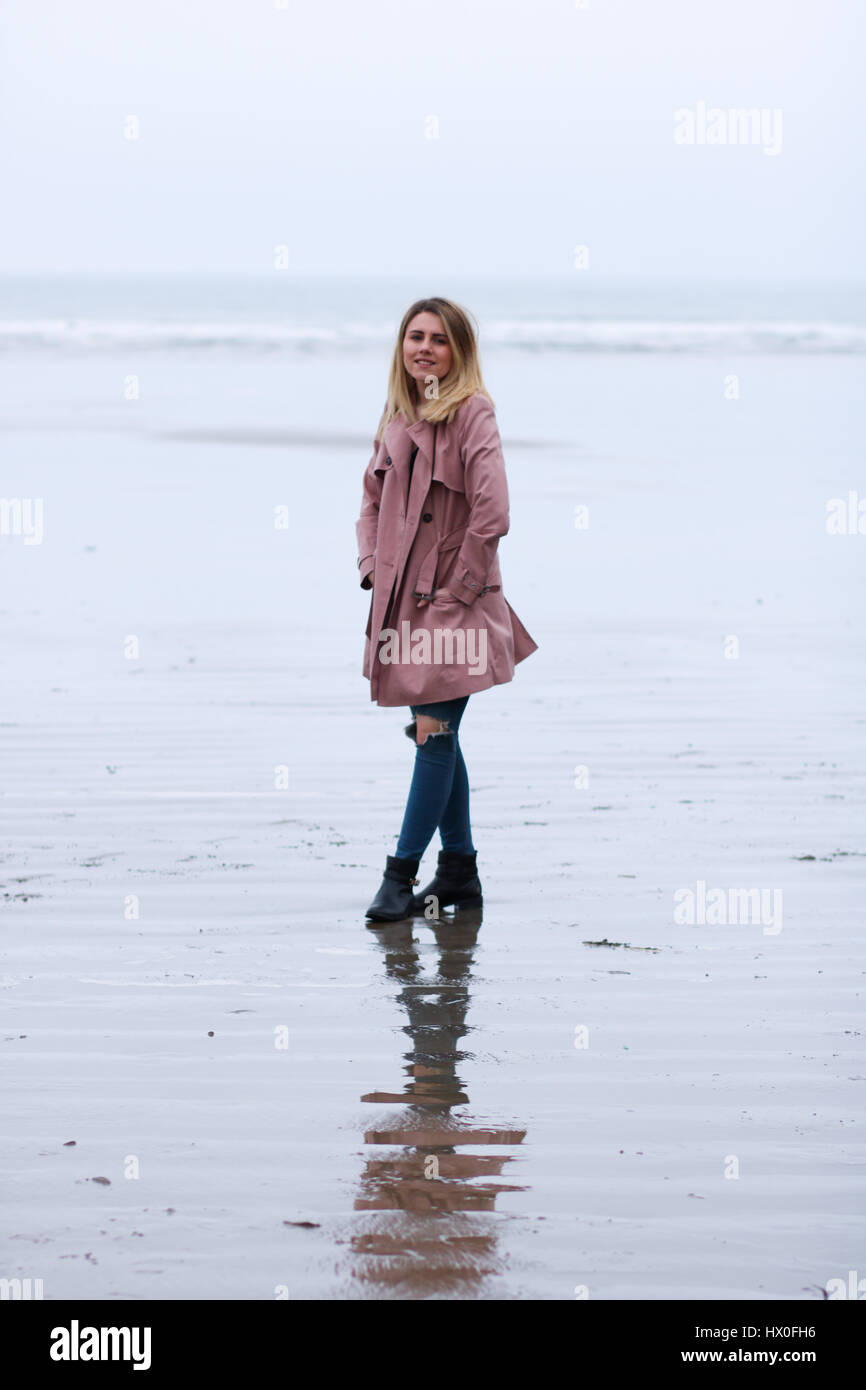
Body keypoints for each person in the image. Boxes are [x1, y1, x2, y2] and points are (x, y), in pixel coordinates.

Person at [356, 297, 537, 923]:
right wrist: (372, 568)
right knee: (439, 734)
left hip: (458, 604)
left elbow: (494, 513)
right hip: (401, 601)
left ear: (459, 350)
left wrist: (459, 592)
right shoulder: (397, 414)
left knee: (431, 734)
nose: (424, 348)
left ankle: (399, 877)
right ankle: (458, 869)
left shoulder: (473, 413)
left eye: (438, 339)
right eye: (415, 337)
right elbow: (370, 500)